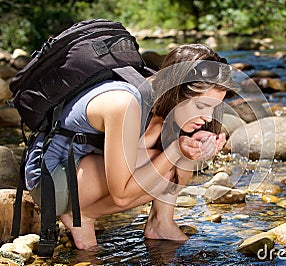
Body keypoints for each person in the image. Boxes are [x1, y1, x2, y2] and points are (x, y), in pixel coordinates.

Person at [25, 43, 234, 250]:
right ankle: (83, 215)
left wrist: (194, 145)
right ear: (177, 90)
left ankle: (161, 223)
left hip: (81, 168)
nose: (207, 117)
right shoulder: (124, 104)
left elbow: (142, 150)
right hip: (51, 181)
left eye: (213, 108)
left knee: (180, 158)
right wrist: (176, 150)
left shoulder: (156, 95)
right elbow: (121, 195)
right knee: (170, 163)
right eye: (201, 106)